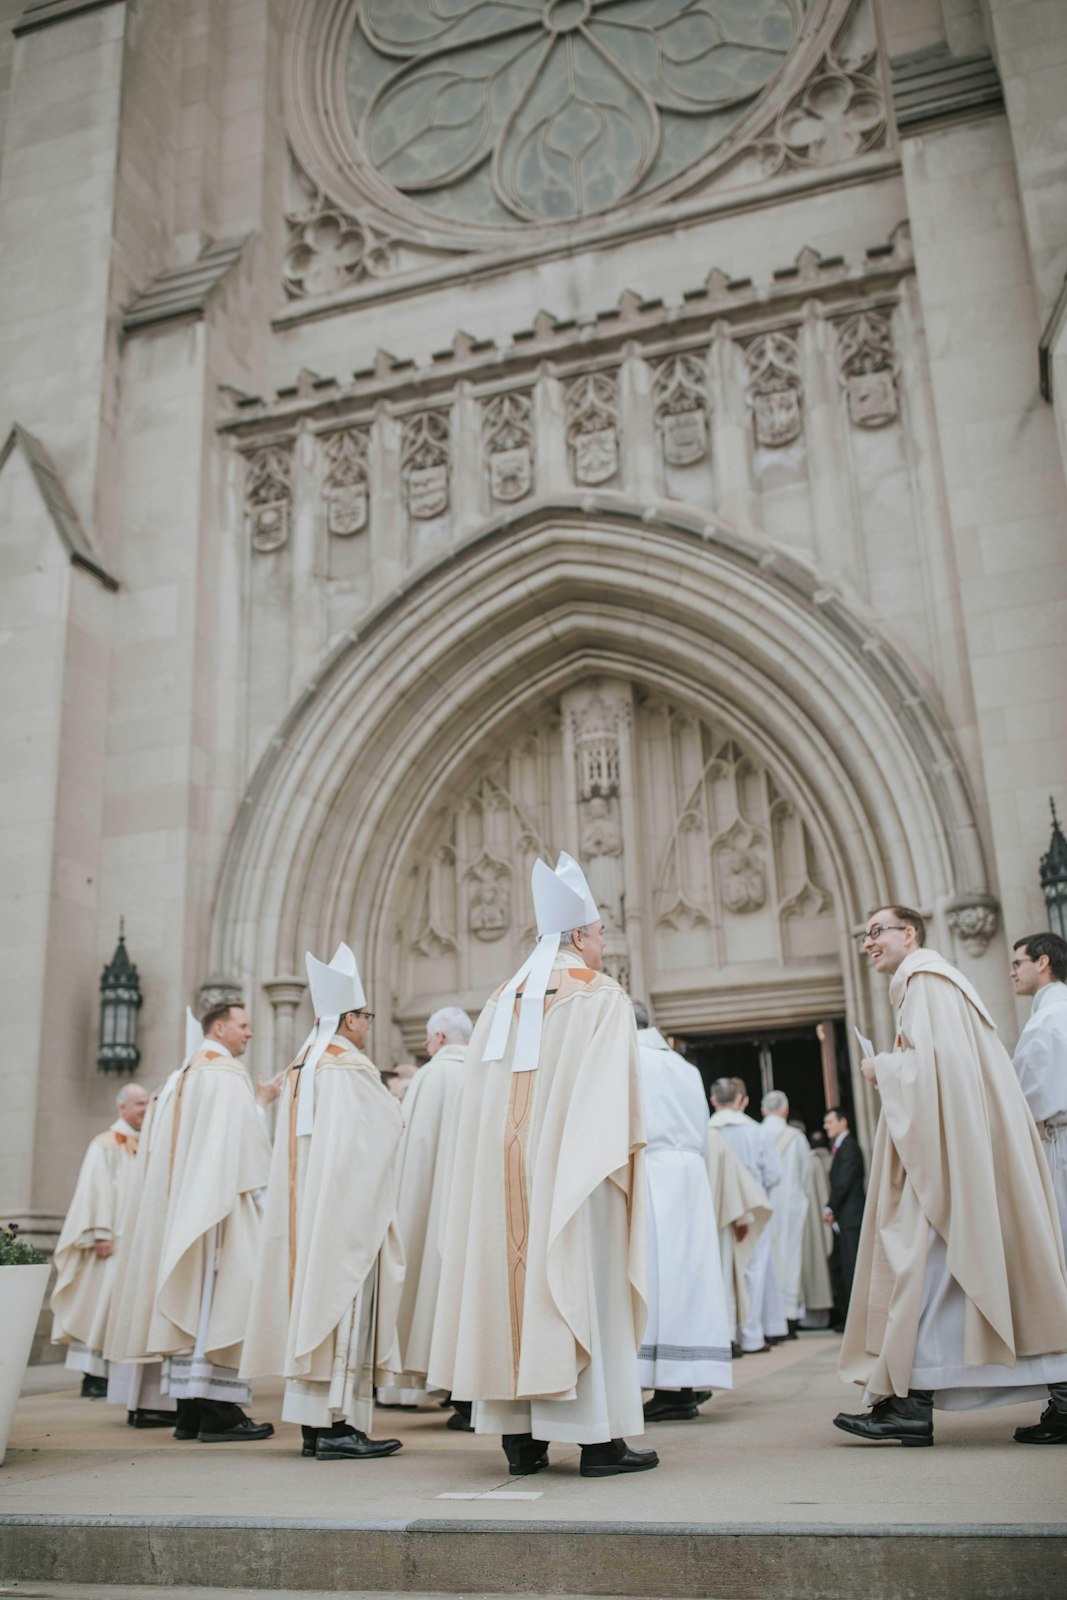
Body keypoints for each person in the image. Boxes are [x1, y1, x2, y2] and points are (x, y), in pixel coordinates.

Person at [429, 852, 655, 1479]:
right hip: (574, 1176)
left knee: (509, 1291)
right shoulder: (601, 996)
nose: (605, 942)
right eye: (602, 931)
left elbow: (476, 1109)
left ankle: (520, 1442)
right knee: (578, 1283)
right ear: (579, 935)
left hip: (500, 1187)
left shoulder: (501, 1000)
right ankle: (598, 1442)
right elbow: (613, 1103)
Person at [835, 906, 1067, 1446]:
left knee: (929, 1272)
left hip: (948, 1157)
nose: (868, 943)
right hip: (952, 1150)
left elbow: (942, 1071)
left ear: (908, 932)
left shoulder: (928, 982)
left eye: (877, 932)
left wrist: (881, 1068)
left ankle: (909, 1406)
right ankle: (910, 1404)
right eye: (864, 935)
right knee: (947, 1279)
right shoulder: (929, 983)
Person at [241, 944, 405, 1461]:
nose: (369, 1025)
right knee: (340, 1302)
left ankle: (315, 1425)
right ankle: (337, 1424)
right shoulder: (348, 1068)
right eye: (366, 1016)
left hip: (307, 1211)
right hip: (343, 1209)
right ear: (349, 1018)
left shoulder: (301, 1066)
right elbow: (382, 1130)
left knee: (313, 1300)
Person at [106, 1000, 274, 1443]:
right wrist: (266, 1197)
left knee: (193, 1299)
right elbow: (244, 1145)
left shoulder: (178, 1078)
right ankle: (218, 1411)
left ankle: (189, 1410)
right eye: (243, 1025)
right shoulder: (224, 1076)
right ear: (219, 1029)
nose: (249, 1033)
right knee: (216, 1302)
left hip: (183, 1208)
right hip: (217, 1211)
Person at [634, 1002, 731, 1422]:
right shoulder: (683, 1066)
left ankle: (672, 1389)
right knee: (689, 1281)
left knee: (657, 1281)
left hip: (652, 1172)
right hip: (690, 1174)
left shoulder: (627, 1059)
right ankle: (687, 1381)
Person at [386, 1006, 474, 1429]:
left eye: (426, 1038)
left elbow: (411, 1151)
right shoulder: (486, 1068)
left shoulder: (430, 1076)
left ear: (439, 1037)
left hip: (435, 1206)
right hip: (476, 1211)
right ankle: (475, 1392)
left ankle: (458, 1394)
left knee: (435, 1291)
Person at [50, 1082, 149, 1398]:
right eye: (139, 1104)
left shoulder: (146, 1142)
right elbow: (96, 1190)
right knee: (99, 1306)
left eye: (148, 1103)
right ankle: (92, 1374)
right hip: (109, 1242)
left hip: (134, 1243)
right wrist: (101, 1234)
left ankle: (115, 1373)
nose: (145, 1109)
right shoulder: (105, 1144)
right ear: (122, 1107)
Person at [1010, 929, 1067, 1443]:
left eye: (1019, 962)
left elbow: (1021, 1097)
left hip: (1059, 1146)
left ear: (1043, 963)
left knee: (1057, 1269)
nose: (1013, 971)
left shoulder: (1048, 1019)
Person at [709, 1078, 785, 1353]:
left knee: (719, 1271)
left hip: (717, 1207)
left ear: (713, 1100)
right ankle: (752, 1337)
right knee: (753, 1271)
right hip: (753, 1206)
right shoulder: (755, 1131)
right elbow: (775, 1173)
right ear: (741, 1099)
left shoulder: (707, 1130)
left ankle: (725, 1335)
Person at [822, 1104, 864, 1328]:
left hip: (851, 1218)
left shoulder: (848, 1147)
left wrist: (830, 1208)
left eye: (830, 1121)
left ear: (843, 1122)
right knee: (840, 1266)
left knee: (851, 1267)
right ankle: (847, 1316)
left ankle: (854, 1319)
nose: (825, 1126)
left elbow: (843, 1182)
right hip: (845, 1218)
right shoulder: (841, 1147)